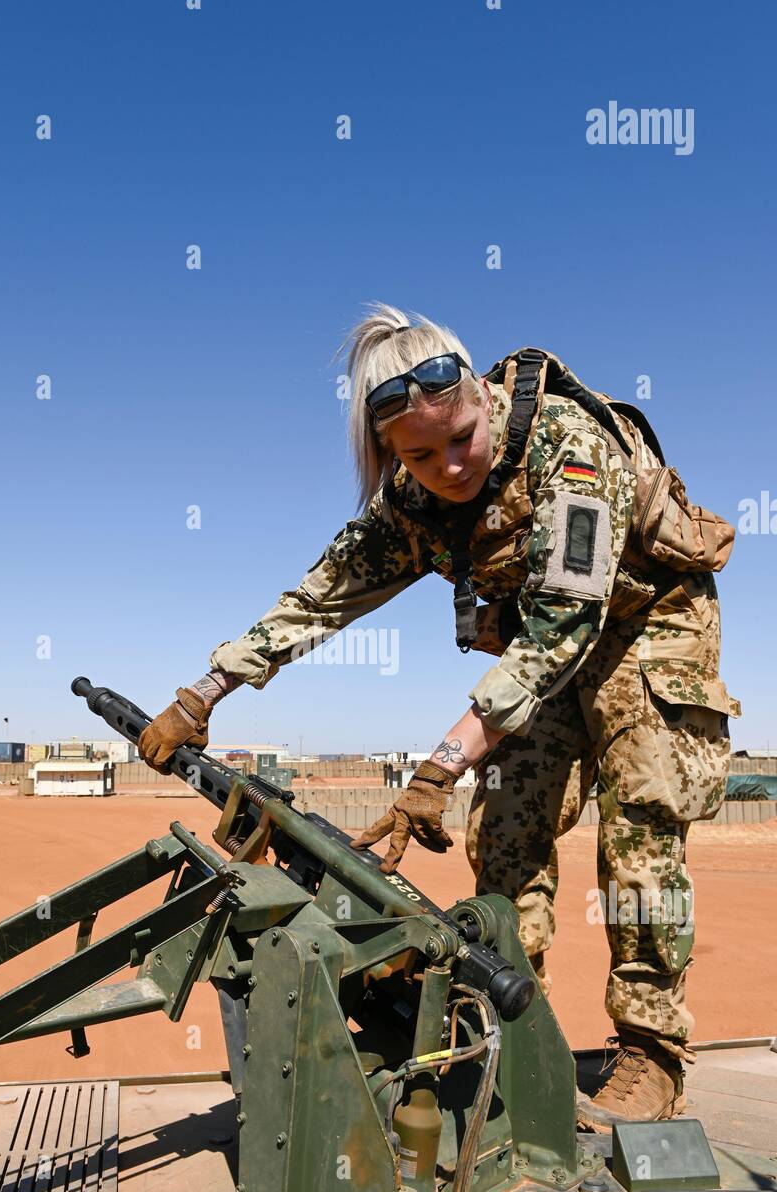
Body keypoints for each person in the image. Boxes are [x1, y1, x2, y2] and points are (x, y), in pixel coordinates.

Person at [138, 304, 738, 1131]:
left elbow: (565, 627)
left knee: (639, 819)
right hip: (543, 644)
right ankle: (519, 1031)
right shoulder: (411, 501)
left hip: (646, 620)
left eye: (460, 438)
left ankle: (652, 1053)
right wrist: (202, 693)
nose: (449, 467)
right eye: (419, 455)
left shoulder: (571, 450)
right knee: (506, 830)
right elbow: (321, 599)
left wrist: (439, 767)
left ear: (484, 397)